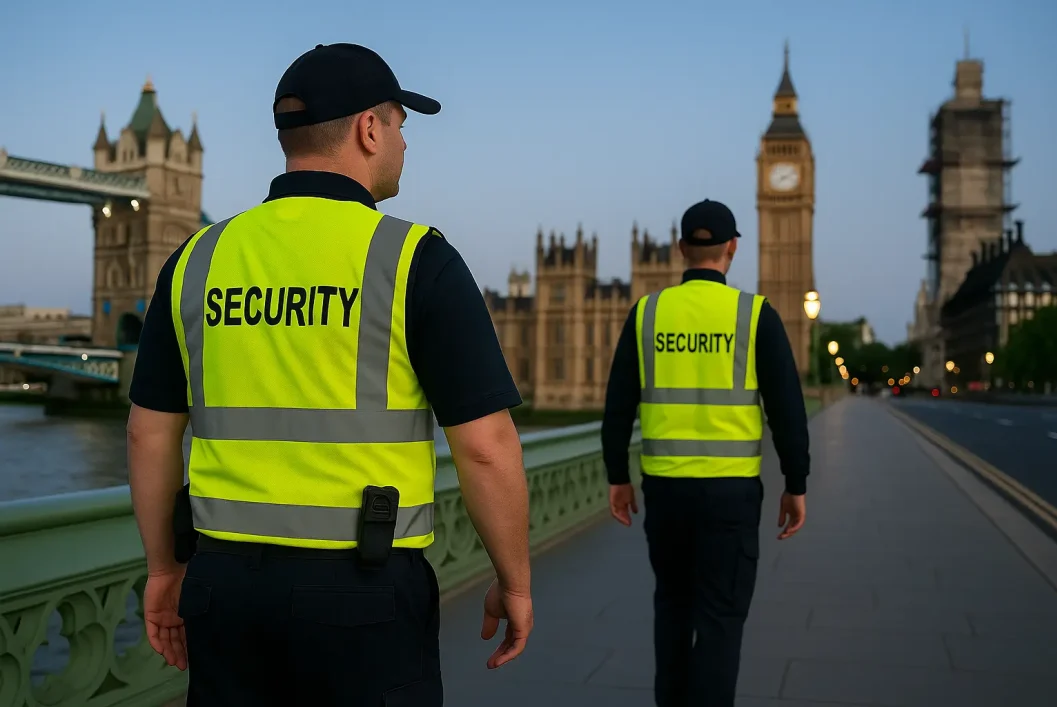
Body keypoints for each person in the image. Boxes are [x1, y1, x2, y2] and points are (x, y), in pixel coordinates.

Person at [126, 42, 533, 705]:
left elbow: (147, 436)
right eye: (401, 124)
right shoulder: (414, 258)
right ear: (369, 129)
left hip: (223, 588)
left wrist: (164, 568)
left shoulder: (197, 259)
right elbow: (486, 447)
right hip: (363, 595)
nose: (405, 143)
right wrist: (514, 580)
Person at [601, 198, 809, 707]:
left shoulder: (648, 313)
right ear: (732, 248)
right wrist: (796, 484)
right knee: (719, 621)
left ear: (680, 249)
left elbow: (617, 406)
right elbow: (788, 413)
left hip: (666, 492)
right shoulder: (755, 314)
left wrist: (618, 476)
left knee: (672, 610)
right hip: (731, 496)